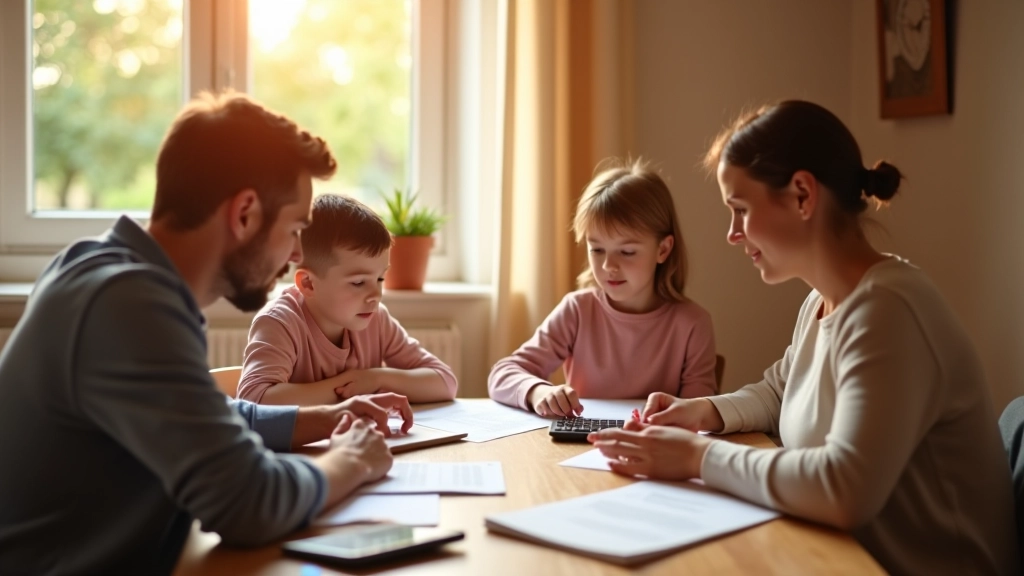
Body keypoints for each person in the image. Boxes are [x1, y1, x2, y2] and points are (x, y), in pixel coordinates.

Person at [589, 101, 1018, 575]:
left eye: (740, 210)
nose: (732, 234)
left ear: (801, 195)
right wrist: (701, 412)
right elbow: (780, 390)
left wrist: (697, 456)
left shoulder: (889, 312)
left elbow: (843, 489)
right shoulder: (822, 300)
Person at [0, 92, 413, 575]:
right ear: (244, 214)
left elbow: (199, 415)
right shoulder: (129, 306)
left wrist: (323, 419)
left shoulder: (104, 270)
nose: (299, 254)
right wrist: (351, 460)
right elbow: (249, 503)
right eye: (296, 229)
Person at [488, 159, 718, 417]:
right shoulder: (577, 310)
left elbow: (697, 413)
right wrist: (538, 392)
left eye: (627, 251)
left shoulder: (693, 324)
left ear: (662, 249)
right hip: (578, 449)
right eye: (597, 249)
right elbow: (502, 374)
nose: (609, 265)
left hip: (652, 451)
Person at [237, 194, 458, 406]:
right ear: (308, 284)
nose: (376, 295)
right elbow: (253, 400)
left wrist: (375, 379)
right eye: (359, 282)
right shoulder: (279, 323)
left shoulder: (376, 320)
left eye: (380, 278)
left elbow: (445, 382)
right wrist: (349, 388)